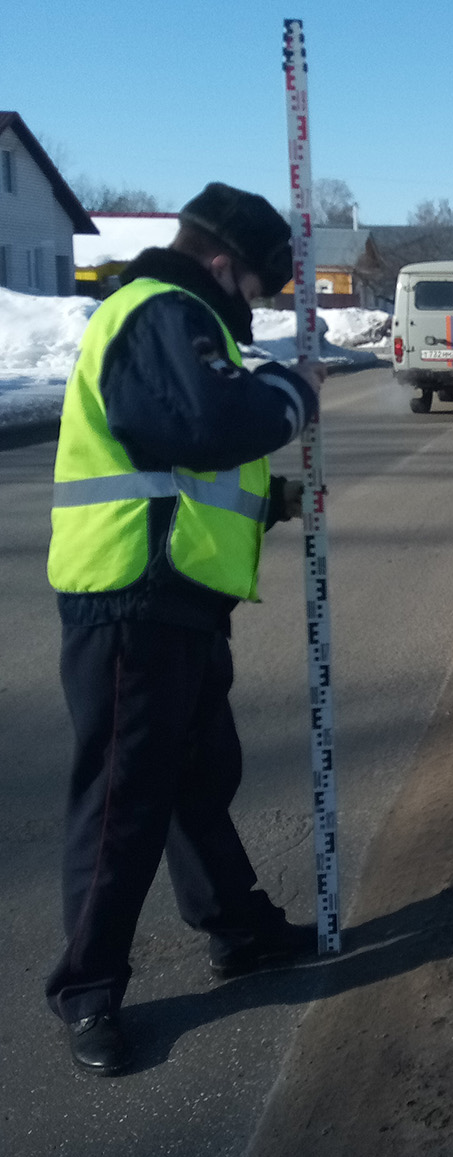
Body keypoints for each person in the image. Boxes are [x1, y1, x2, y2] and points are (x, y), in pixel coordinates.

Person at [45, 182, 327, 1076]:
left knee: (196, 780)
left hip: (179, 598)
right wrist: (291, 392)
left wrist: (267, 501)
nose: (255, 306)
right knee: (124, 802)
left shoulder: (173, 317)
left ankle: (234, 926)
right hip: (132, 598)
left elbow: (179, 461)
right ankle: (86, 991)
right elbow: (205, 426)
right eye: (254, 285)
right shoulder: (163, 310)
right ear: (220, 265)